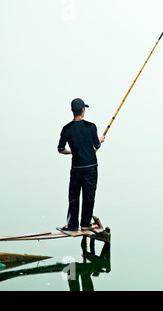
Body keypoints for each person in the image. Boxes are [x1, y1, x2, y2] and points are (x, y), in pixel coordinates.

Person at [57, 98, 105, 231]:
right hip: (90, 167)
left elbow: (60, 149)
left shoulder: (66, 129)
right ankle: (86, 224)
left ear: (72, 110)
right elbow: (97, 145)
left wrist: (72, 151)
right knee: (89, 195)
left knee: (74, 195)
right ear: (83, 110)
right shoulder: (91, 126)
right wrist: (100, 139)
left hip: (77, 167)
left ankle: (72, 224)